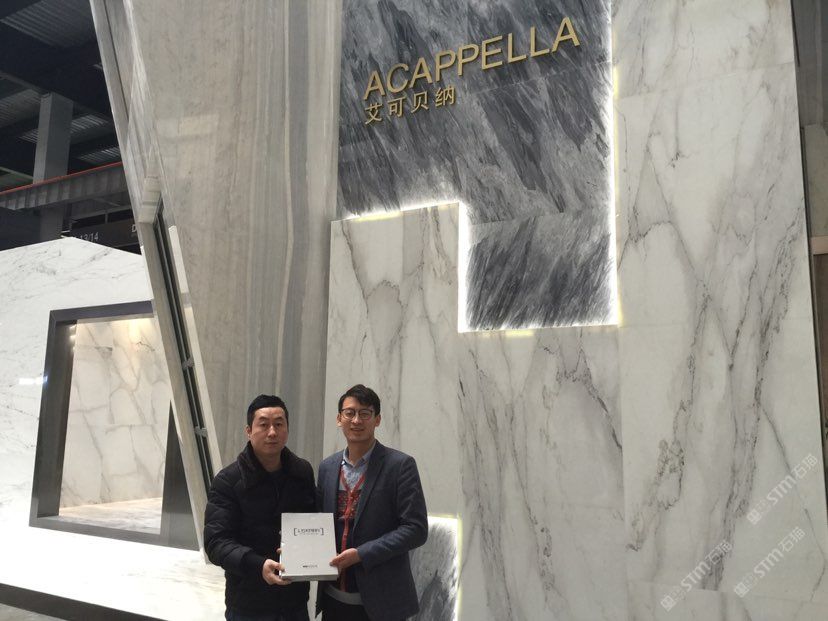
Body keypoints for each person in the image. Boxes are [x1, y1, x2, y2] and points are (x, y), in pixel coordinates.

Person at [316, 384, 428, 621]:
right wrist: (297, 549)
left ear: (377, 420)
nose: (356, 420)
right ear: (339, 419)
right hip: (333, 600)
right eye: (349, 413)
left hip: (383, 604)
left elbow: (416, 529)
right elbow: (318, 523)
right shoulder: (327, 467)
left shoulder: (400, 466)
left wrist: (361, 554)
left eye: (365, 413)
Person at [205, 394, 316, 621]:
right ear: (249, 431)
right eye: (263, 425)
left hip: (294, 600)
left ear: (287, 429)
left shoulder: (302, 472)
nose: (272, 432)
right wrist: (257, 565)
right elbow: (216, 542)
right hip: (248, 603)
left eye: (279, 424)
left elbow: (313, 522)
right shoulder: (228, 480)